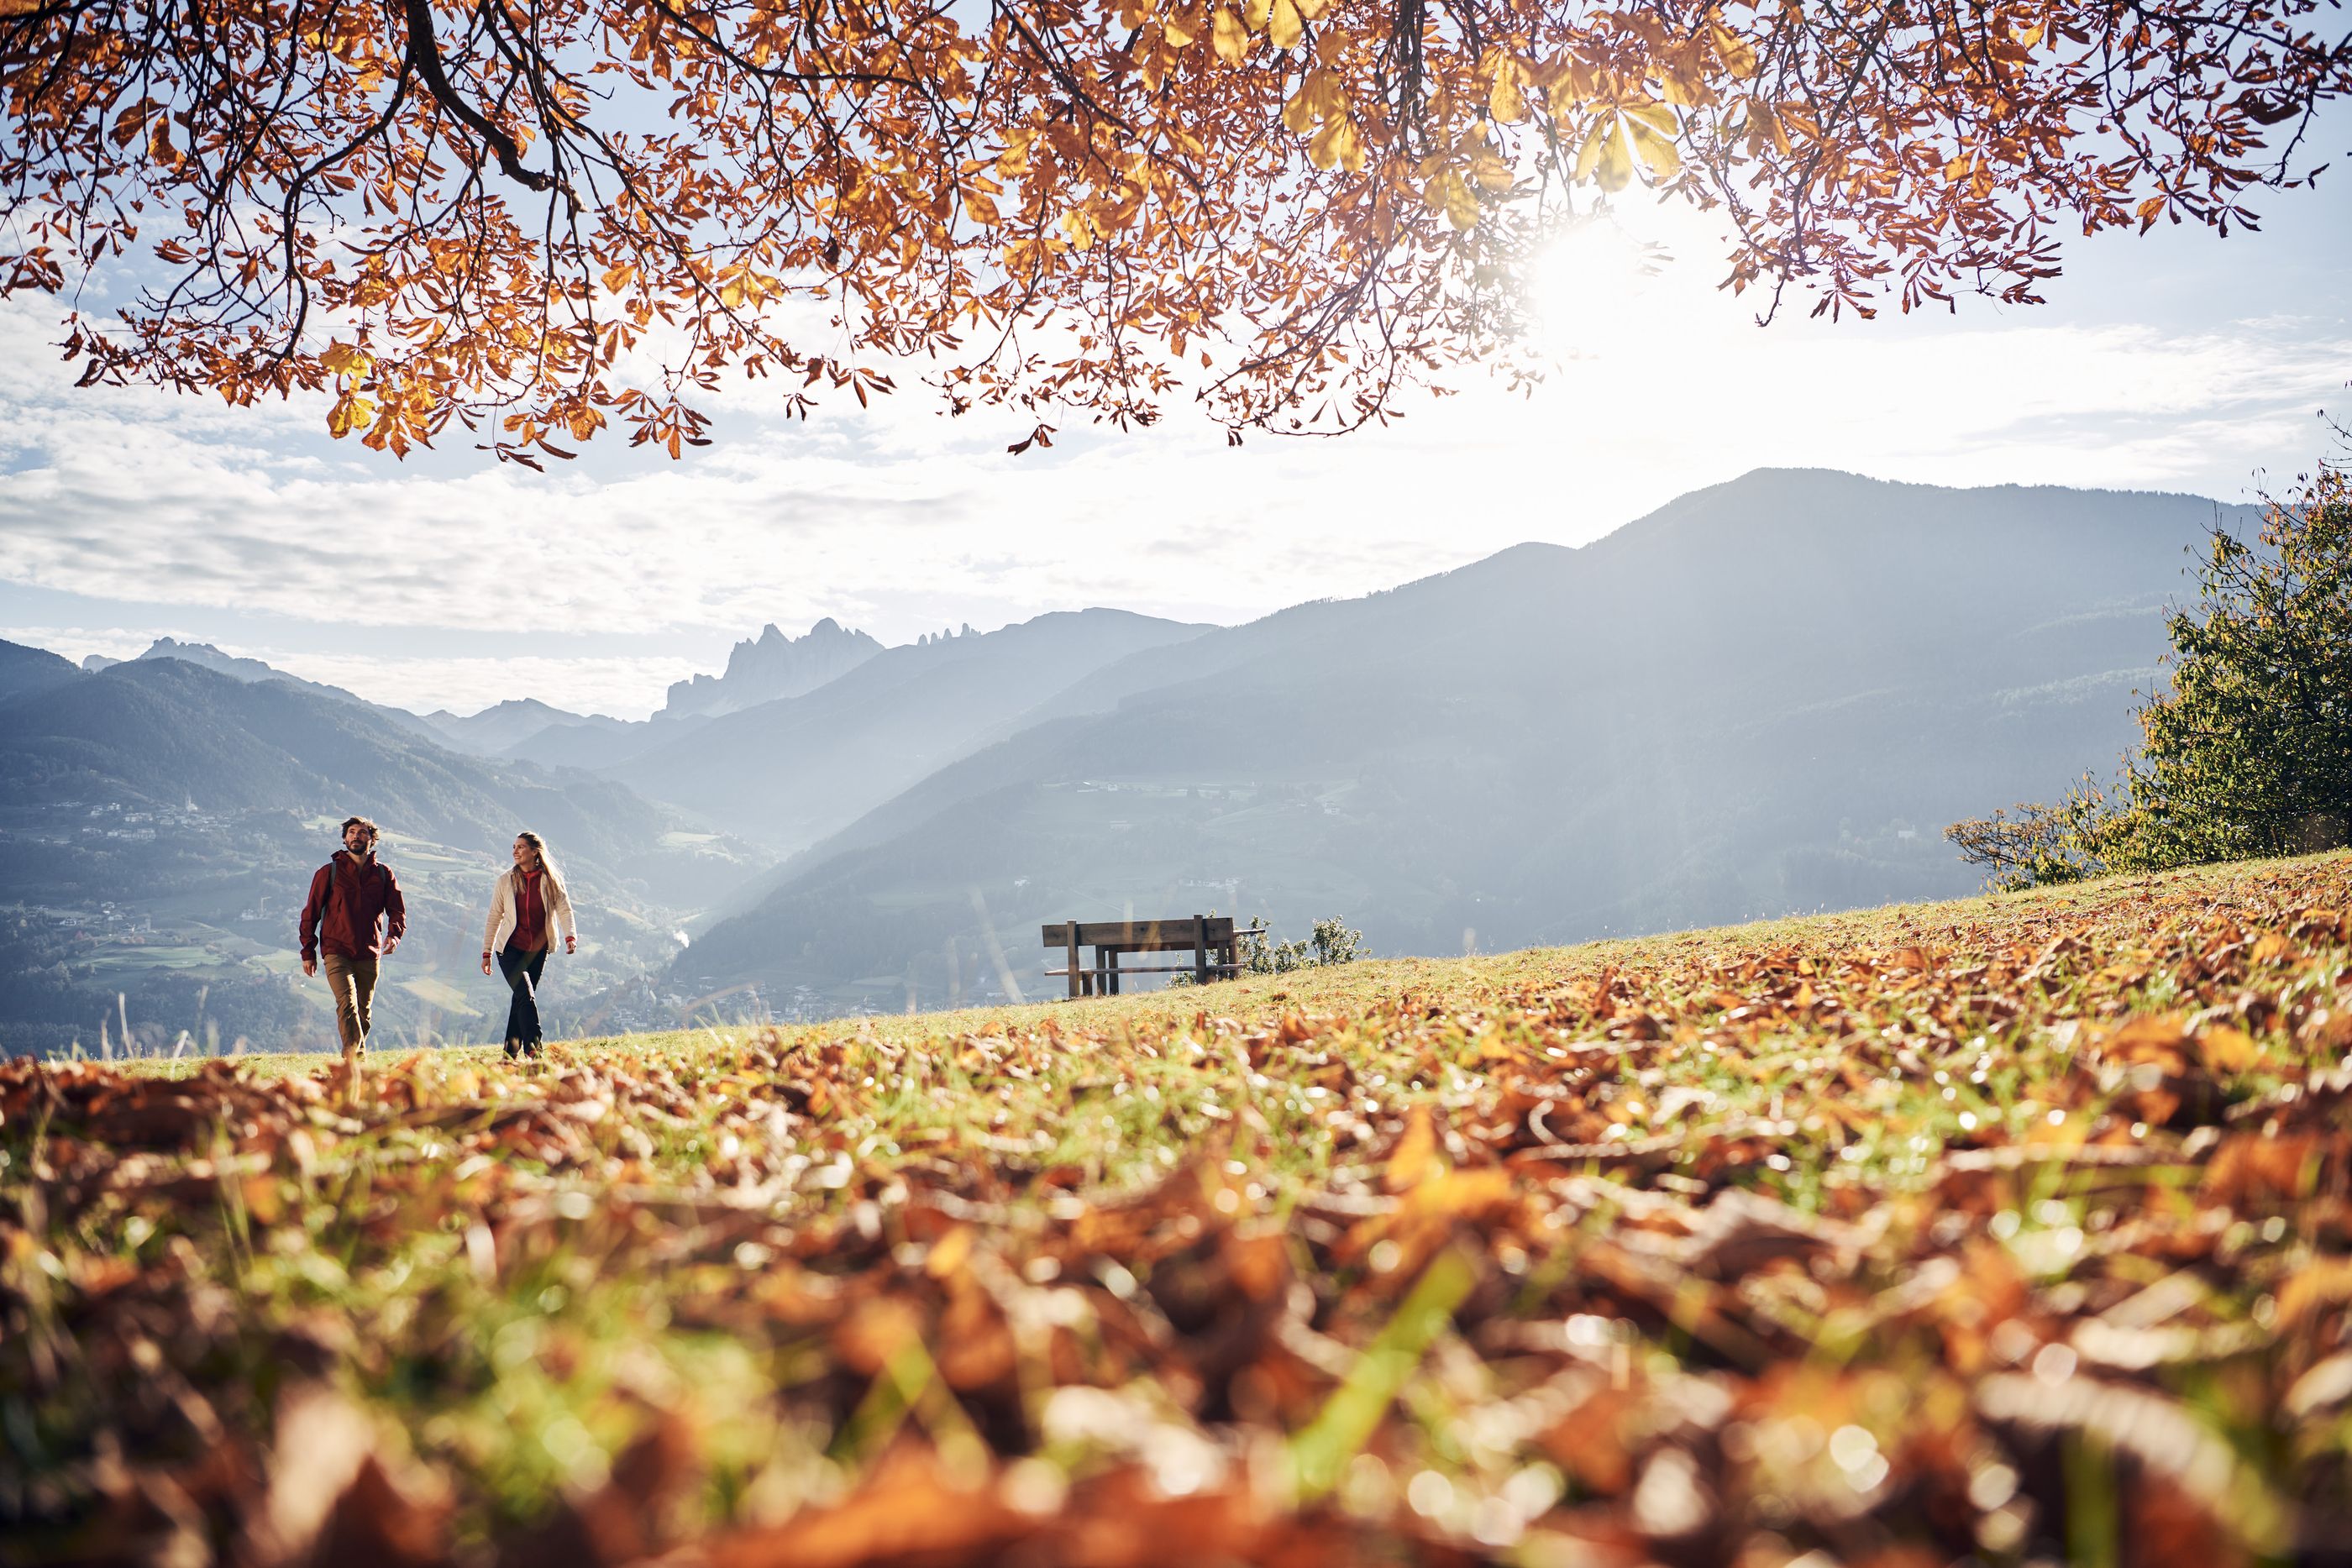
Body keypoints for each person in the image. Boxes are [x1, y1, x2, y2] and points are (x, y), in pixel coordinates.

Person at [298, 815, 406, 1059]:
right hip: (337, 950)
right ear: (345, 839)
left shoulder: (383, 874)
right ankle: (354, 1063)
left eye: (362, 832)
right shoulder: (329, 873)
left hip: (369, 951)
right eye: (352, 832)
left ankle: (356, 1061)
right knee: (348, 1004)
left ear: (372, 839)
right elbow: (310, 914)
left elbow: (397, 909)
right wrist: (308, 952)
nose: (356, 836)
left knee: (364, 1012)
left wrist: (395, 935)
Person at [480, 830, 577, 1058]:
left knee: (521, 1000)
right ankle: (535, 1051)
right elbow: (495, 916)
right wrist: (486, 951)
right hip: (509, 950)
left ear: (535, 852)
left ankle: (509, 1056)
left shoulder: (551, 880)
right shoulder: (506, 881)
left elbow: (564, 909)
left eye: (520, 847)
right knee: (526, 995)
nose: (515, 851)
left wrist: (570, 935)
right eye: (514, 847)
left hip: (537, 952)